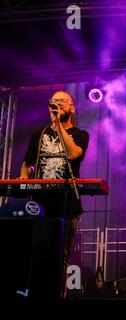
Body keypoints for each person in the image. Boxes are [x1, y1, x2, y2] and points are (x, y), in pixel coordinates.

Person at [18, 90, 89, 272]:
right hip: (41, 201)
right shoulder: (39, 134)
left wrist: (58, 126)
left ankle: (59, 293)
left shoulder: (80, 134)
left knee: (61, 255)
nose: (58, 103)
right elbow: (29, 162)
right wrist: (25, 176)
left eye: (63, 101)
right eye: (54, 101)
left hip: (67, 202)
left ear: (72, 108)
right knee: (37, 251)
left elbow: (73, 154)